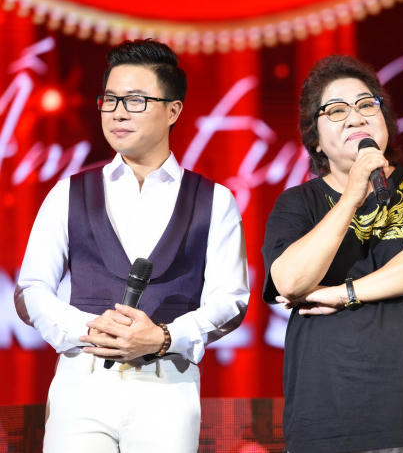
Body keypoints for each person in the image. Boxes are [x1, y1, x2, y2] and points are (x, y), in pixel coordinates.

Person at [14, 40, 249, 452]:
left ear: (173, 110)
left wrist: (163, 337)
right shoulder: (69, 192)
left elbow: (230, 300)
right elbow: (30, 290)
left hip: (168, 386)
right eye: (110, 100)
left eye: (136, 100)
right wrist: (87, 329)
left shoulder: (214, 200)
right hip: (81, 382)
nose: (118, 112)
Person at [261, 55, 403, 453]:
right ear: (315, 139)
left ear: (385, 121)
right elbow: (291, 280)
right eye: (336, 110)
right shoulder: (297, 204)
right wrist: (352, 195)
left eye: (366, 104)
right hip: (331, 415)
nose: (355, 117)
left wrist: (343, 293)